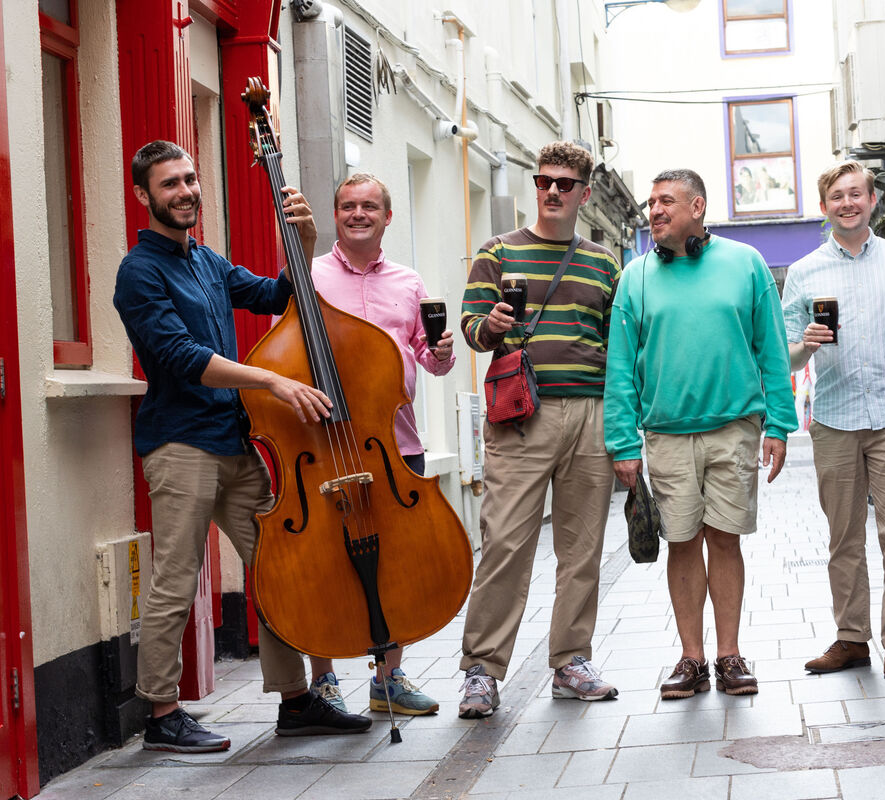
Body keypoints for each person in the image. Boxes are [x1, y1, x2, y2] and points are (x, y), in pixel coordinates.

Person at [113, 140, 371, 753]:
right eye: (169, 184)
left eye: (190, 179)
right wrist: (273, 380)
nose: (185, 192)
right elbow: (179, 359)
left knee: (279, 569)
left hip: (236, 444)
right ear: (143, 196)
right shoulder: (139, 271)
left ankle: (296, 700)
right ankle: (160, 714)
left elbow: (277, 296)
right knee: (176, 578)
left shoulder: (204, 260)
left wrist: (304, 242)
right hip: (180, 447)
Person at [605, 169, 797, 699]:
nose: (655, 210)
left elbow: (772, 352)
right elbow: (619, 368)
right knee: (682, 543)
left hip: (735, 430)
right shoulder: (635, 277)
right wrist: (623, 443)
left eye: (666, 201)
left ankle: (729, 655)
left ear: (698, 206)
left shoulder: (746, 264)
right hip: (665, 436)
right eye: (650, 203)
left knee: (725, 540)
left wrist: (779, 423)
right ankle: (691, 659)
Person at [456, 141, 622, 718]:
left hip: (591, 412)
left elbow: (618, 345)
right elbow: (472, 328)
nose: (552, 191)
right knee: (505, 543)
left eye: (565, 183)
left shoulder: (604, 264)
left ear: (585, 192)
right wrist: (491, 323)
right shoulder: (496, 253)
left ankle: (571, 660)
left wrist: (623, 422)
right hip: (520, 415)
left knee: (582, 548)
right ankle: (481, 669)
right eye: (544, 181)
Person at [303, 173, 454, 716]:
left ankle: (388, 678)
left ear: (388, 217)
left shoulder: (410, 283)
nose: (358, 213)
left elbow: (432, 363)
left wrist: (440, 350)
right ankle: (324, 680)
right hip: (323, 444)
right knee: (322, 562)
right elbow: (285, 349)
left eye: (369, 206)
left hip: (395, 446)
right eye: (348, 206)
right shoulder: (307, 275)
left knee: (396, 563)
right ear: (335, 214)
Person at [781, 161, 885, 680]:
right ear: (825, 207)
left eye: (856, 194)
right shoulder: (804, 272)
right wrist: (804, 346)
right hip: (835, 418)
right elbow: (784, 358)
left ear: (873, 201)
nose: (847, 203)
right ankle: (851, 638)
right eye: (837, 196)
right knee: (843, 536)